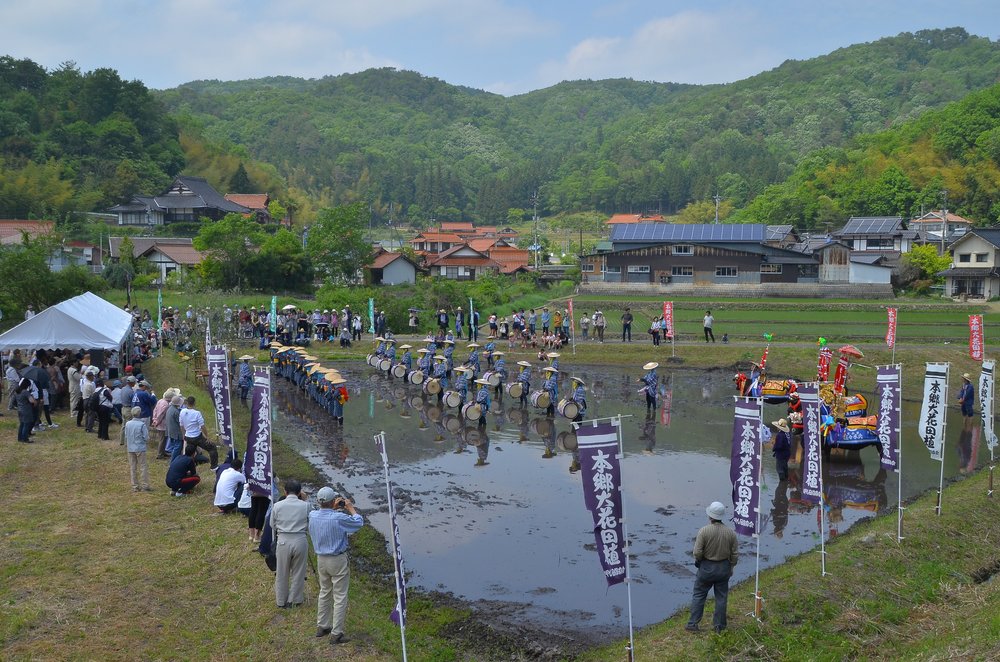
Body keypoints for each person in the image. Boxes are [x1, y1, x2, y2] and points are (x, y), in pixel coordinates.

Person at [309, 487, 364, 642]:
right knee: (339, 595)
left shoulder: (312, 515)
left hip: (321, 559)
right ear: (334, 501)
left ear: (319, 501)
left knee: (325, 591)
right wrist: (350, 508)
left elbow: (323, 512)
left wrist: (331, 507)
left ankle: (322, 626)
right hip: (337, 559)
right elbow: (358, 523)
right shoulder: (338, 517)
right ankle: (336, 633)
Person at [686, 501, 738, 633]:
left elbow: (697, 552)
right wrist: (731, 567)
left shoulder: (704, 531)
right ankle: (719, 626)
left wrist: (700, 561)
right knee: (721, 597)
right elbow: (734, 554)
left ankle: (693, 624)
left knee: (699, 594)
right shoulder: (731, 533)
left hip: (706, 567)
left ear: (710, 516)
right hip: (723, 568)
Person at [272, 479, 310, 608]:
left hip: (283, 540)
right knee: (298, 572)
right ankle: (295, 599)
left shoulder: (277, 505)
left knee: (282, 572)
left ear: (285, 491)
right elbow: (310, 522)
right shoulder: (306, 505)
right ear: (300, 492)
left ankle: (281, 601)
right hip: (300, 539)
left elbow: (272, 524)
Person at [179, 396, 219, 469]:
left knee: (189, 453)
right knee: (212, 447)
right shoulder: (197, 413)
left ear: (187, 403)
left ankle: (186, 467)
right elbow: (202, 426)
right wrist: (207, 437)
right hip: (197, 437)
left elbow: (181, 425)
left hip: (188, 436)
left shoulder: (182, 411)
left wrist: (183, 435)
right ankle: (214, 466)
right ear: (194, 403)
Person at [124, 406, 152, 492]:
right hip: (140, 448)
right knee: (143, 466)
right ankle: (145, 485)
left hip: (130, 447)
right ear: (140, 414)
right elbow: (146, 437)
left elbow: (126, 435)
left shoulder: (128, 424)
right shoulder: (142, 424)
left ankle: (135, 486)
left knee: (133, 467)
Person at [15, 378, 37, 443]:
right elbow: (32, 401)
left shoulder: (17, 391)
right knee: (26, 424)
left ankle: (20, 438)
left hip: (19, 409)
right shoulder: (25, 392)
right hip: (26, 410)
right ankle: (25, 438)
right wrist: (34, 400)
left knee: (22, 424)